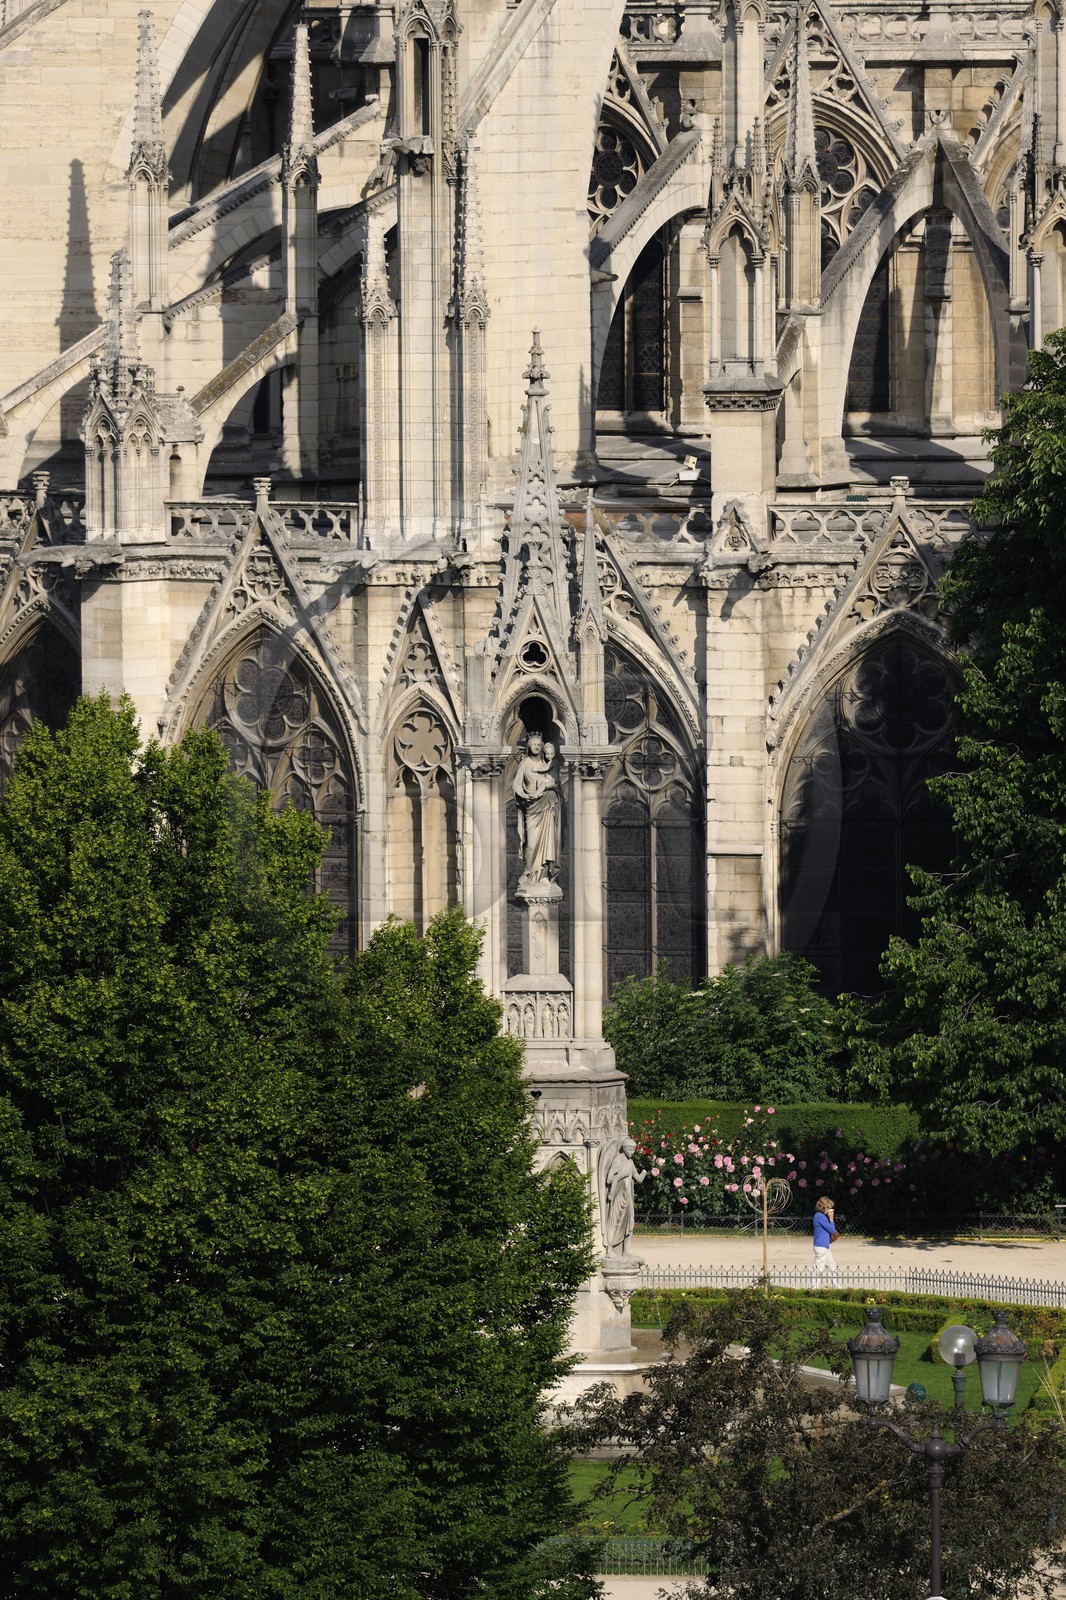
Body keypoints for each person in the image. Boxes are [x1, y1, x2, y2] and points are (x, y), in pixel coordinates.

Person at [513, 734, 561, 882]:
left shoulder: (548, 763)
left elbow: (555, 782)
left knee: (548, 842)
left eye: (538, 744)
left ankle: (543, 874)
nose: (536, 746)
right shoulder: (525, 764)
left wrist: (552, 785)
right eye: (533, 744)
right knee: (531, 844)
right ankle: (528, 872)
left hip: (547, 807)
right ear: (528, 746)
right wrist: (524, 795)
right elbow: (516, 785)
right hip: (531, 807)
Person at [603, 1138, 647, 1258]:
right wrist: (623, 1174)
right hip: (619, 1196)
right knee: (615, 1221)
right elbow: (609, 1179)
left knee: (630, 1222)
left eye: (633, 1149)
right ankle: (610, 1249)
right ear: (624, 1148)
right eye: (629, 1149)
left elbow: (638, 1178)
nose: (632, 1152)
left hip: (628, 1197)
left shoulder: (630, 1162)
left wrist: (645, 1171)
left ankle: (626, 1249)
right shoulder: (618, 1160)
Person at [811, 1196, 843, 1290]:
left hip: (825, 1245)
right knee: (818, 1268)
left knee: (832, 1266)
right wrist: (831, 1219)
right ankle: (814, 1288)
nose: (829, 1210)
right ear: (823, 1207)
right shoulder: (819, 1216)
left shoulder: (821, 1216)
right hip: (821, 1246)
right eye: (828, 1207)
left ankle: (838, 1287)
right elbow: (832, 1230)